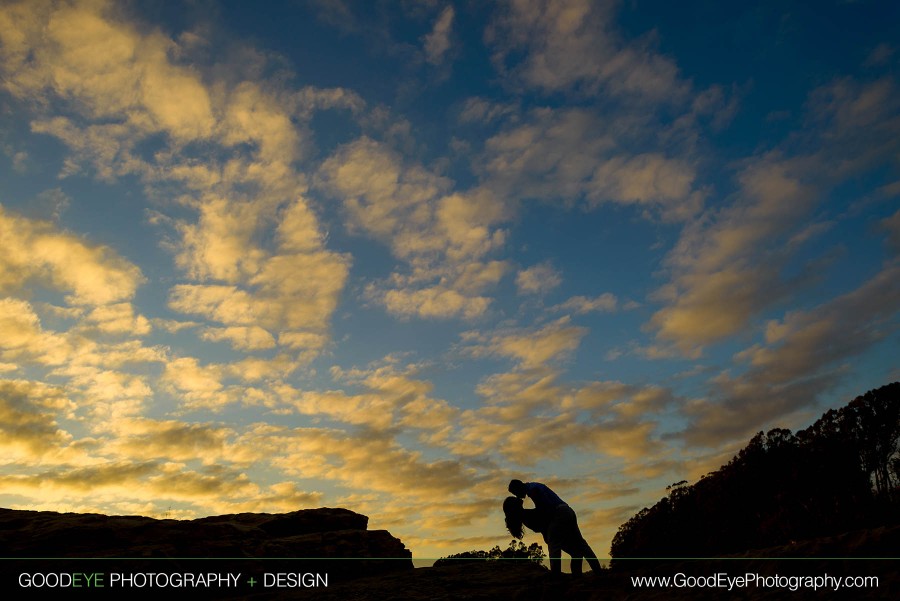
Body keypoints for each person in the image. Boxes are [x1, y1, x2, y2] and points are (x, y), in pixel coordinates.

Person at [507, 480, 602, 574]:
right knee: (581, 546)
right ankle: (596, 571)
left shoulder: (533, 491)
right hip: (567, 511)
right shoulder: (534, 487)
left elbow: (545, 510)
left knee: (555, 546)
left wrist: (549, 531)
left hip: (559, 514)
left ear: (518, 487)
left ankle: (556, 574)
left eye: (516, 493)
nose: (518, 496)